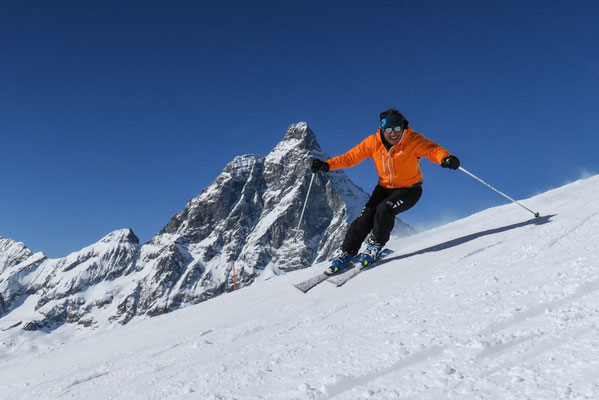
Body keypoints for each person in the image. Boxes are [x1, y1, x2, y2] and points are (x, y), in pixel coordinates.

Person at [311, 108, 460, 275]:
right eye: (388, 129)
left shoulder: (412, 140)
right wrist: (327, 165)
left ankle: (375, 246)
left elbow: (432, 149)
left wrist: (445, 158)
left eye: (397, 128)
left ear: (403, 127)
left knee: (385, 209)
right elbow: (350, 157)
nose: (393, 133)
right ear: (382, 129)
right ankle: (347, 252)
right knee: (366, 216)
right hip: (384, 188)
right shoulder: (373, 143)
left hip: (409, 189)